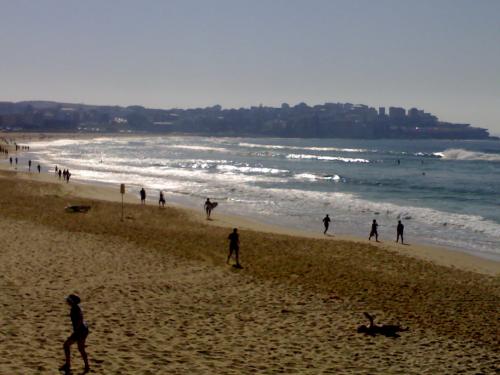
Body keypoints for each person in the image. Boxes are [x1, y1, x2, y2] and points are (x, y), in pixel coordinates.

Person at [59, 294, 90, 374]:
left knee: (67, 345)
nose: (67, 301)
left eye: (68, 300)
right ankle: (86, 366)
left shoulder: (74, 309)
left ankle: (68, 365)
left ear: (71, 302)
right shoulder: (77, 307)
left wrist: (76, 332)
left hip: (80, 331)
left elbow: (79, 321)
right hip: (84, 329)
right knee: (80, 348)